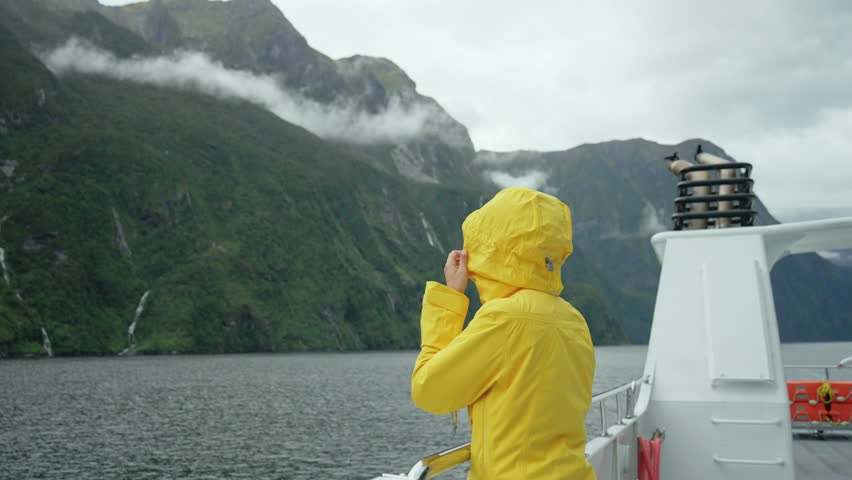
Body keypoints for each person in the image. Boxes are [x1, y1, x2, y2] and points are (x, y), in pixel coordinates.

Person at [411, 187, 597, 480]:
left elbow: (429, 390)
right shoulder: (573, 320)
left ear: (490, 251)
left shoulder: (506, 318)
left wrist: (449, 299)